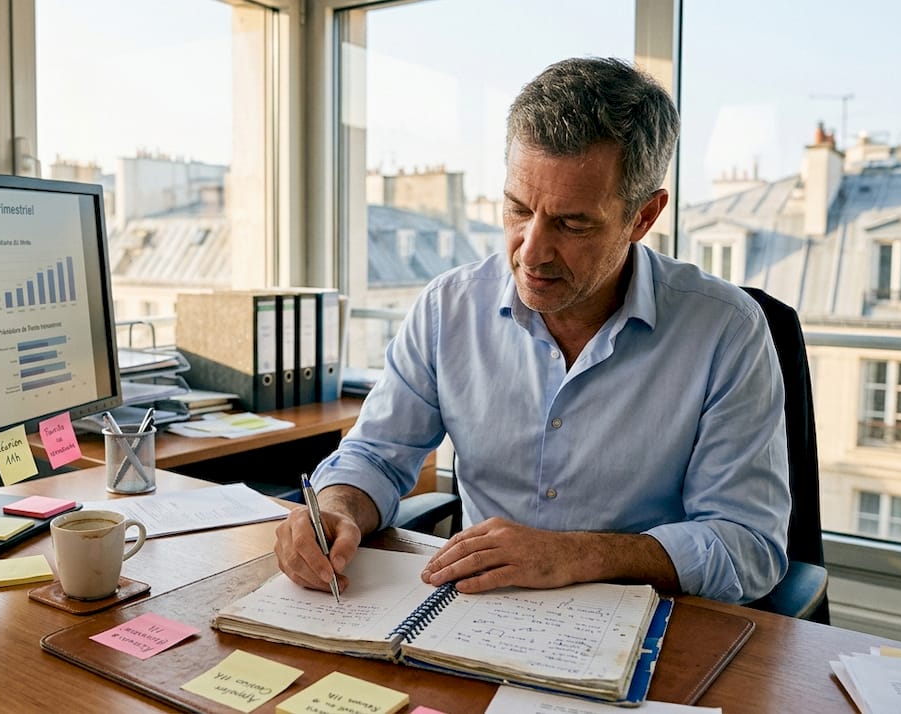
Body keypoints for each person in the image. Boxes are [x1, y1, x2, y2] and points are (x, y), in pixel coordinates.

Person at [276, 57, 790, 604]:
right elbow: (377, 455)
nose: (531, 251)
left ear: (643, 217)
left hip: (648, 623)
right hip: (474, 613)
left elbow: (748, 545)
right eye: (518, 209)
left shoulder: (726, 330)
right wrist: (336, 508)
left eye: (572, 223)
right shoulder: (449, 308)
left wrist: (576, 555)